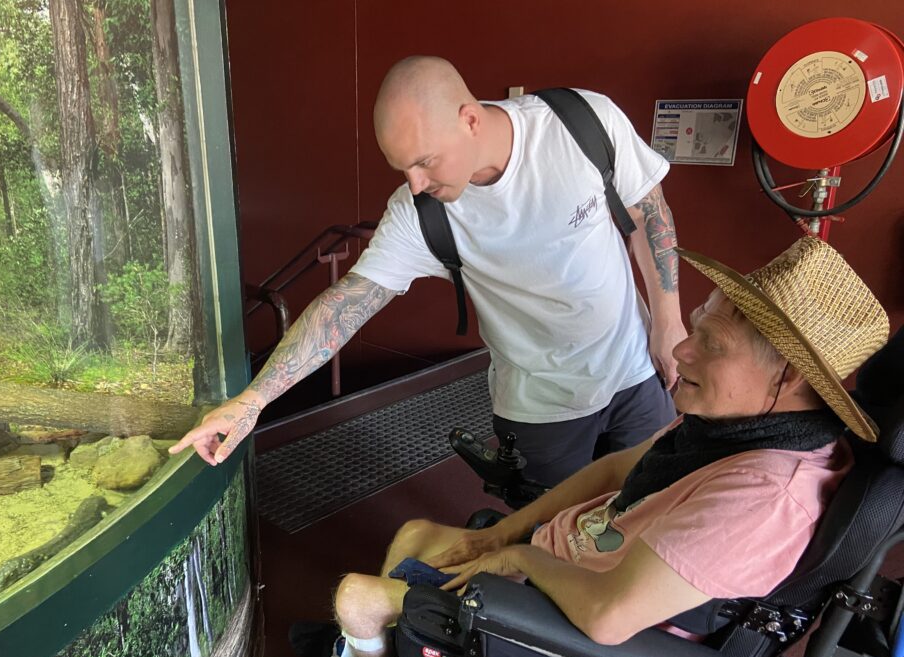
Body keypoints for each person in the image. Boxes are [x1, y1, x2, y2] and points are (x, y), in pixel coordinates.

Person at [302, 236, 888, 657]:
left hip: (573, 631)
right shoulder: (732, 426)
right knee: (412, 536)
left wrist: (519, 559)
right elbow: (615, 467)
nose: (682, 351)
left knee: (357, 597)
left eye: (711, 343)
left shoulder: (765, 498)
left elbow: (609, 619)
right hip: (570, 561)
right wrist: (503, 537)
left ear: (786, 377)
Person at [170, 55, 687, 486]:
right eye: (402, 169)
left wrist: (668, 323)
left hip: (635, 371)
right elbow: (345, 304)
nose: (415, 183)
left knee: (654, 515)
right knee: (554, 542)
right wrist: (253, 401)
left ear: (469, 119)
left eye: (425, 162)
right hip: (540, 404)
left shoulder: (583, 123)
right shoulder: (421, 211)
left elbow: (649, 213)